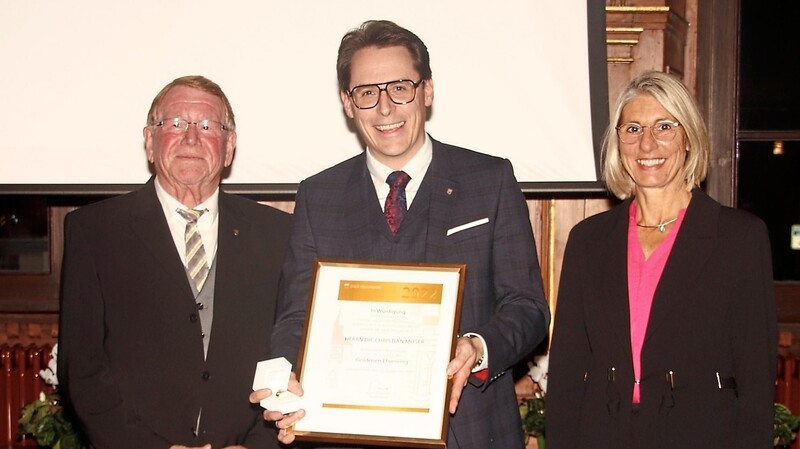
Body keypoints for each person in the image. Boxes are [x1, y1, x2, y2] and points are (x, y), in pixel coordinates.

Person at [250, 19, 550, 449]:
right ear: (348, 104)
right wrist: (287, 378)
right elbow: (297, 316)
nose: (385, 109)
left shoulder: (490, 180)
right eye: (367, 93)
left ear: (426, 91)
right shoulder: (319, 195)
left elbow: (528, 307)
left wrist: (476, 348)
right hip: (350, 433)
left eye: (400, 88)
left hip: (472, 432)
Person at [546, 71, 777, 449]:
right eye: (632, 129)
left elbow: (756, 376)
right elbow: (568, 372)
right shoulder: (588, 241)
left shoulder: (739, 238)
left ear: (688, 139)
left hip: (702, 433)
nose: (647, 144)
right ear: (618, 143)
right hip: (602, 435)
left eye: (664, 126)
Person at [57, 75, 291, 449]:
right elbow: (82, 370)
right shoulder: (94, 232)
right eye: (176, 124)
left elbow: (290, 355)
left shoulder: (278, 233)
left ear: (229, 147)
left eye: (208, 126)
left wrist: (258, 445)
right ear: (150, 141)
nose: (192, 138)